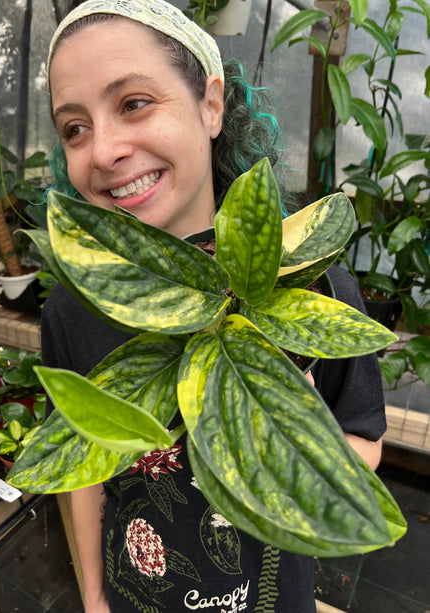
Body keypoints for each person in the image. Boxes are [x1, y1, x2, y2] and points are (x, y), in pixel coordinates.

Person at [42, 1, 386, 611]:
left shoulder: (307, 279)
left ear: (211, 104)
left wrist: (255, 433)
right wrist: (93, 596)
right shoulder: (75, 309)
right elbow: (84, 470)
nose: (101, 151)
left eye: (133, 103)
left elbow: (362, 438)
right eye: (75, 127)